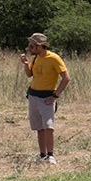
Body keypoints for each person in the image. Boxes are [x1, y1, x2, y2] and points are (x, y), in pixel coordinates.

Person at [20, 32, 70, 165]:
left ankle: (51, 155)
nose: (29, 49)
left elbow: (66, 78)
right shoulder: (36, 58)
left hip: (47, 97)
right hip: (33, 96)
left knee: (48, 127)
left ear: (40, 46)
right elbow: (29, 75)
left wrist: (55, 95)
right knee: (39, 128)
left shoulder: (54, 58)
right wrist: (25, 64)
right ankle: (42, 154)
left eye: (32, 46)